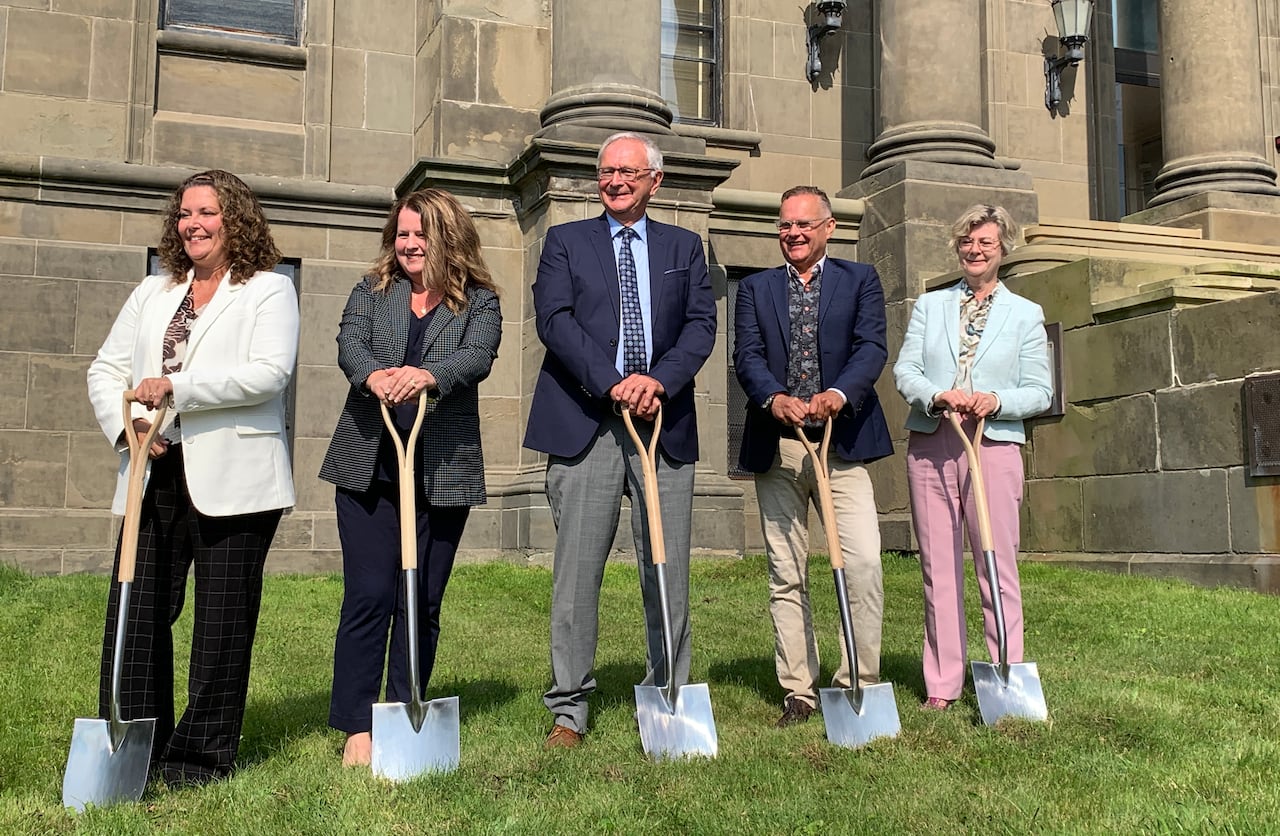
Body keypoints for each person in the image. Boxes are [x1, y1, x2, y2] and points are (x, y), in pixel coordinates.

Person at [86, 169, 299, 785]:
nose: (192, 224)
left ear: (235, 219)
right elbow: (105, 368)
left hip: (236, 476)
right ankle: (135, 745)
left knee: (221, 624)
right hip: (152, 468)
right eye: (184, 214)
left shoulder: (267, 290)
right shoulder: (155, 291)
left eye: (206, 212)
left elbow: (268, 374)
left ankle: (198, 759)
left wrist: (178, 388)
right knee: (137, 609)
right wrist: (124, 427)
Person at [523, 131, 716, 748]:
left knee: (667, 568)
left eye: (628, 172)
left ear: (654, 180)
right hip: (587, 422)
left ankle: (669, 698)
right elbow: (554, 321)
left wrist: (656, 381)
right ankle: (568, 710)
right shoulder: (564, 242)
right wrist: (613, 384)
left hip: (663, 421)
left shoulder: (686, 247)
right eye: (606, 171)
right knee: (577, 575)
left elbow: (702, 324)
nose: (615, 181)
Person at [318, 188, 501, 766]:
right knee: (370, 593)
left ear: (448, 236)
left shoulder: (480, 301)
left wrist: (428, 374)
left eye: (421, 233)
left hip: (441, 471)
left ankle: (404, 708)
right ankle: (357, 725)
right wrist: (373, 377)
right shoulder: (372, 292)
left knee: (420, 599)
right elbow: (349, 343)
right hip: (368, 465)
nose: (409, 244)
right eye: (402, 233)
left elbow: (479, 356)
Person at [732, 185, 894, 727]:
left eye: (804, 225)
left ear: (829, 227)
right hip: (778, 446)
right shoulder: (755, 289)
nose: (793, 234)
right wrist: (772, 397)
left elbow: (871, 347)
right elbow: (747, 355)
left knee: (864, 562)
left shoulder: (860, 280)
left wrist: (839, 394)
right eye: (784, 226)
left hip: (841, 443)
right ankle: (799, 690)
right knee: (786, 571)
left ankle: (858, 684)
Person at [893, 204, 1053, 710]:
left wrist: (997, 400)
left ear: (1003, 247)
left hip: (994, 444)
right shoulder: (930, 305)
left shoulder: (1025, 313)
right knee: (938, 566)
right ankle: (943, 684)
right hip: (933, 441)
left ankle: (1005, 672)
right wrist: (936, 395)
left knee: (995, 560)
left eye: (985, 242)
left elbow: (1040, 391)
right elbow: (906, 370)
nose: (974, 250)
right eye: (966, 241)